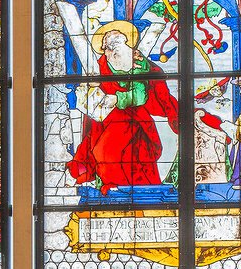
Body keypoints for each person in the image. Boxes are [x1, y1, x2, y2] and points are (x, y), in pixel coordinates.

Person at [68, 21, 179, 192]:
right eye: (108, 44)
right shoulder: (100, 66)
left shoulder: (138, 61)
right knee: (101, 151)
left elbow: (141, 95)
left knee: (117, 153)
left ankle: (127, 189)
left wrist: (118, 99)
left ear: (125, 41)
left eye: (117, 40)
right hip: (106, 119)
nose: (112, 46)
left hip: (133, 120)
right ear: (104, 47)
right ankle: (111, 185)